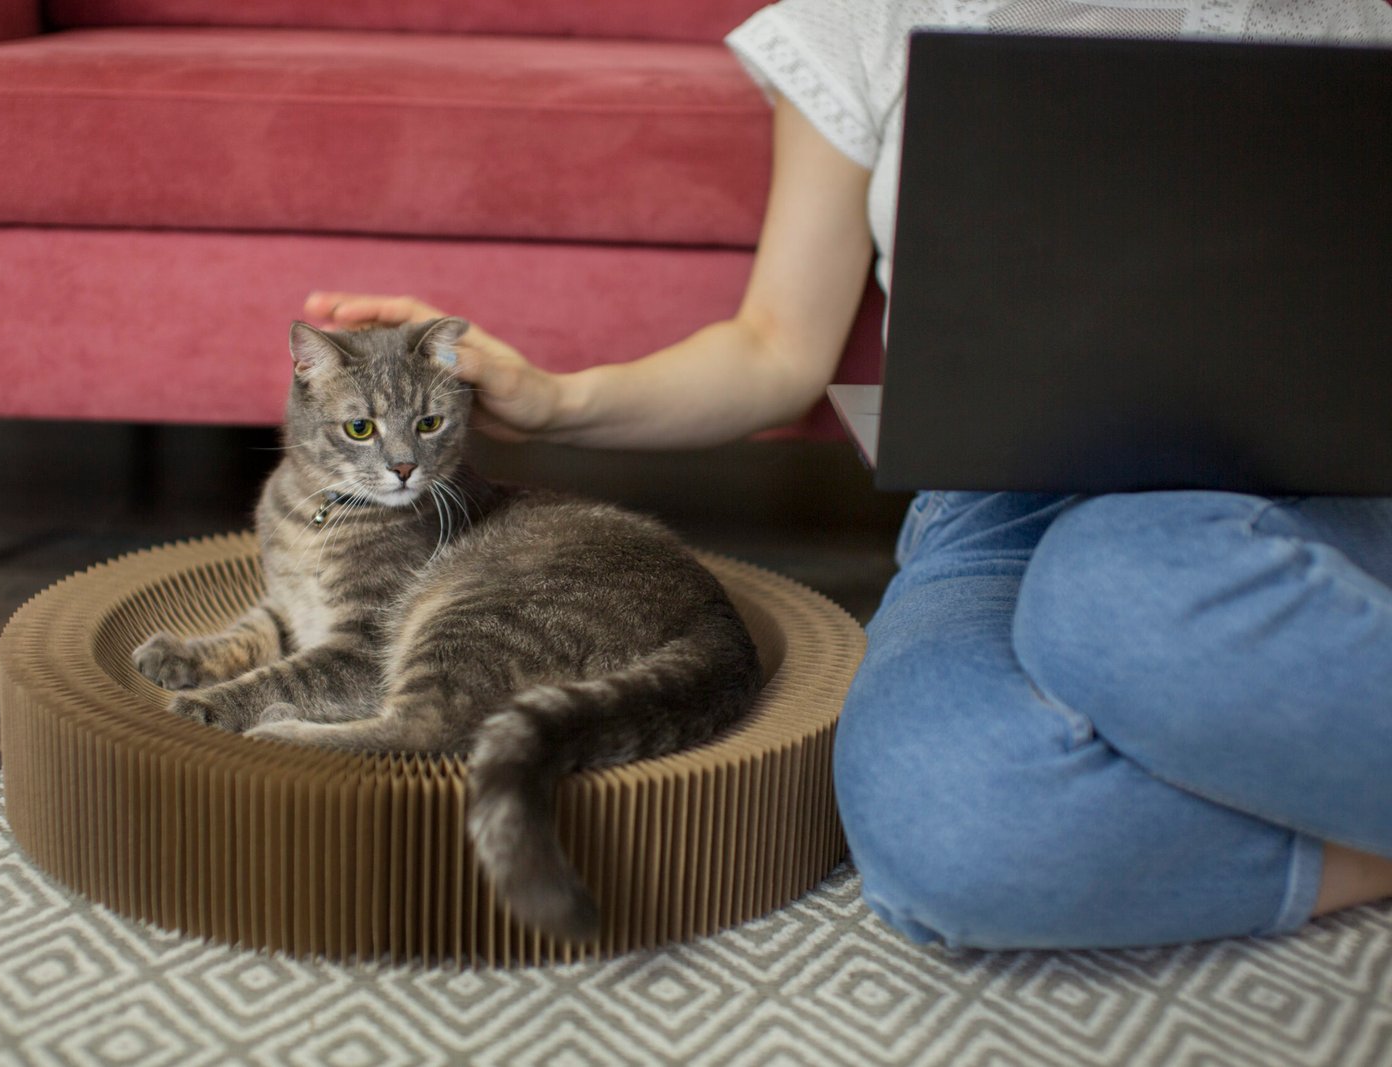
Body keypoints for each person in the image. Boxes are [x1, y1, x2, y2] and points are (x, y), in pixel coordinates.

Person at [302, 0, 1392, 949]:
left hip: (1307, 486)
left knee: (1116, 586)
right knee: (940, 824)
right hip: (998, 510)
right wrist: (555, 399)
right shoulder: (865, 10)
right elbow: (776, 350)